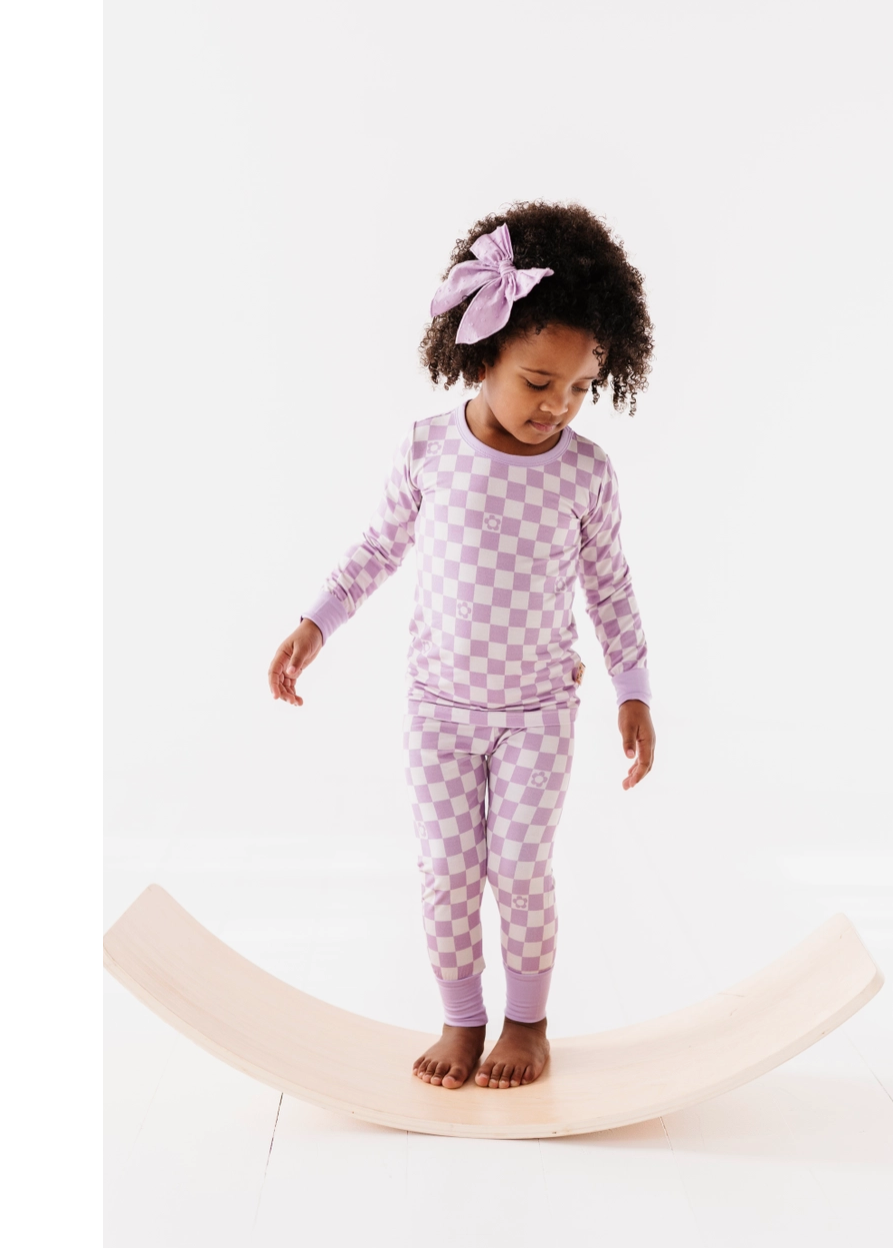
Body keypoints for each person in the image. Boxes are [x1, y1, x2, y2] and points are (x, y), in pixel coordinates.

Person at [267, 201, 657, 1091]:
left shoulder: (585, 473)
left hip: (537, 714)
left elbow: (610, 585)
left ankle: (527, 1023)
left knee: (519, 869)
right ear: (481, 354)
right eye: (537, 381)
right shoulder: (428, 450)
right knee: (447, 870)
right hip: (438, 712)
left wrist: (632, 690)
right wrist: (315, 623)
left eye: (579, 388)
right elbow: (377, 549)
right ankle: (460, 1020)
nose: (557, 405)